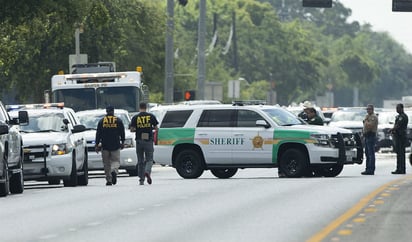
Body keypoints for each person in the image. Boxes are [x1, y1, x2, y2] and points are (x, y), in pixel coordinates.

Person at [95, 106, 125, 185]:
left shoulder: (102, 121)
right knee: (116, 161)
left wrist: (97, 144)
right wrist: (123, 141)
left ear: (106, 111)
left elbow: (98, 133)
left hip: (105, 145)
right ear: (113, 111)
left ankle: (109, 180)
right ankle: (114, 170)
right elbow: (122, 132)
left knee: (106, 163)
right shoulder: (118, 121)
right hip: (115, 144)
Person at [130, 102, 159, 185]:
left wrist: (138, 129)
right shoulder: (151, 116)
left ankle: (141, 179)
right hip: (148, 140)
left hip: (139, 140)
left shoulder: (135, 117)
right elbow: (157, 128)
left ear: (139, 107)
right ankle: (147, 171)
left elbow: (132, 129)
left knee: (140, 161)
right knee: (149, 159)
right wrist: (150, 128)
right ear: (146, 107)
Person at [390, 103, 408, 174]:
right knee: (398, 153)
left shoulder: (403, 116)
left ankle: (402, 169)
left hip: (401, 137)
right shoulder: (398, 116)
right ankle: (398, 168)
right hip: (397, 136)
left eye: (398, 108)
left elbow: (398, 125)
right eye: (396, 108)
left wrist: (392, 129)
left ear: (402, 108)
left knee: (401, 153)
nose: (397, 109)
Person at [361, 104, 378, 175]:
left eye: (369, 109)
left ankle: (371, 169)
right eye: (367, 109)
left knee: (371, 154)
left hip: (371, 135)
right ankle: (367, 168)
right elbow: (365, 127)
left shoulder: (373, 117)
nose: (368, 110)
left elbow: (370, 126)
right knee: (367, 153)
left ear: (372, 109)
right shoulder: (367, 117)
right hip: (366, 136)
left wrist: (365, 121)